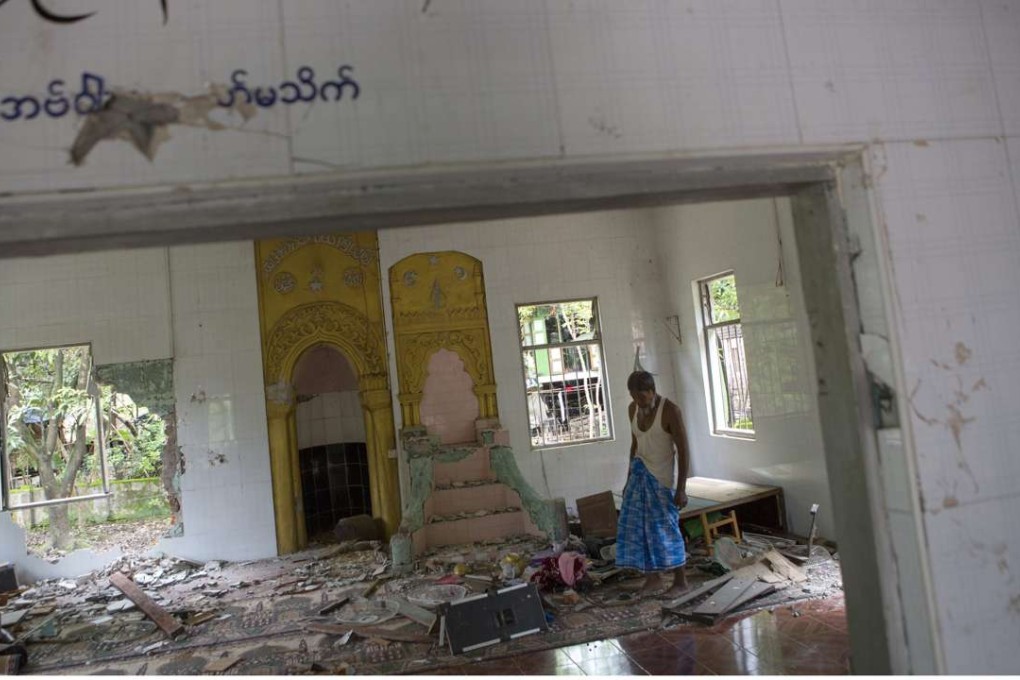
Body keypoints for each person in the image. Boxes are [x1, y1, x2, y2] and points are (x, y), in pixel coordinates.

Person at [615, 370, 690, 598]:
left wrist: (681, 489)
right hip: (639, 475)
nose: (639, 402)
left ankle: (681, 581)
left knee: (667, 529)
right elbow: (634, 445)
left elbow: (684, 450)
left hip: (661, 480)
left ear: (652, 391)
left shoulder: (670, 411)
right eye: (634, 397)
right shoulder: (632, 409)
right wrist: (628, 480)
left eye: (642, 397)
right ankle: (653, 579)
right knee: (639, 530)